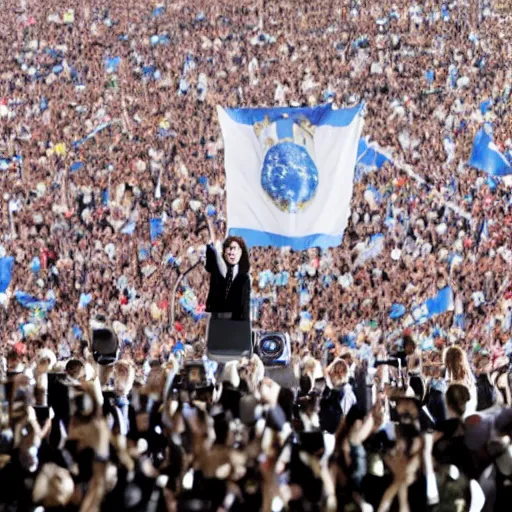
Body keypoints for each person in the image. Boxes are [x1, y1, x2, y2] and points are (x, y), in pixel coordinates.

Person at [204, 216, 251, 321]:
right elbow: (214, 237)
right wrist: (209, 221)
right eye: (220, 226)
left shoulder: (231, 241)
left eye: (223, 226)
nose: (221, 229)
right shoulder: (218, 244)